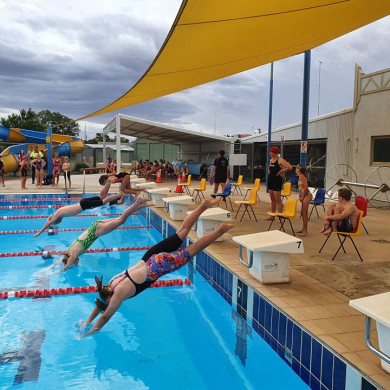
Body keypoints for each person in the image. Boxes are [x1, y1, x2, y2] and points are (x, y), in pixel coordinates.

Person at [78, 198, 233, 337]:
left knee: (193, 250)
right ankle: (204, 206)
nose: (111, 304)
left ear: (109, 298)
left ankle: (221, 230)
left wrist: (90, 332)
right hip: (149, 257)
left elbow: (105, 316)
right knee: (182, 231)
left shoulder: (118, 293)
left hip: (158, 264)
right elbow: (100, 305)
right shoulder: (111, 283)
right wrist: (87, 322)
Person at [61, 196, 152, 270]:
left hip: (96, 231)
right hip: (94, 225)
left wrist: (63, 270)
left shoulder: (74, 254)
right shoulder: (70, 249)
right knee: (120, 218)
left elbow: (69, 263)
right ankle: (140, 205)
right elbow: (66, 257)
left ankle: (138, 202)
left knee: (122, 220)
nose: (76, 263)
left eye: (74, 263)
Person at [33, 181, 124, 237]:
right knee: (101, 196)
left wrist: (39, 232)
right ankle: (108, 182)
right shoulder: (59, 212)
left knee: (103, 201)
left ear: (57, 220)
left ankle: (119, 194)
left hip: (84, 205)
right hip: (82, 202)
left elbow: (49, 223)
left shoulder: (58, 215)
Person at [266, 146, 292, 217]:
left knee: (278, 200)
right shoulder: (271, 160)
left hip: (277, 180)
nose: (269, 153)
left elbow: (289, 167)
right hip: (271, 180)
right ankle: (272, 215)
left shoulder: (280, 160)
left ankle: (280, 216)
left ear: (274, 152)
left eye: (270, 152)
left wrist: (282, 170)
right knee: (272, 199)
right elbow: (269, 169)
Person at [296, 164, 312, 237]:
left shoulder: (302, 176)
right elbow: (301, 188)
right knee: (303, 213)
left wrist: (303, 196)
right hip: (305, 195)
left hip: (307, 195)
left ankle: (305, 230)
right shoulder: (300, 176)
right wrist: (300, 195)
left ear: (299, 169)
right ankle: (303, 229)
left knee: (303, 212)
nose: (295, 169)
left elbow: (305, 187)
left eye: (296, 168)